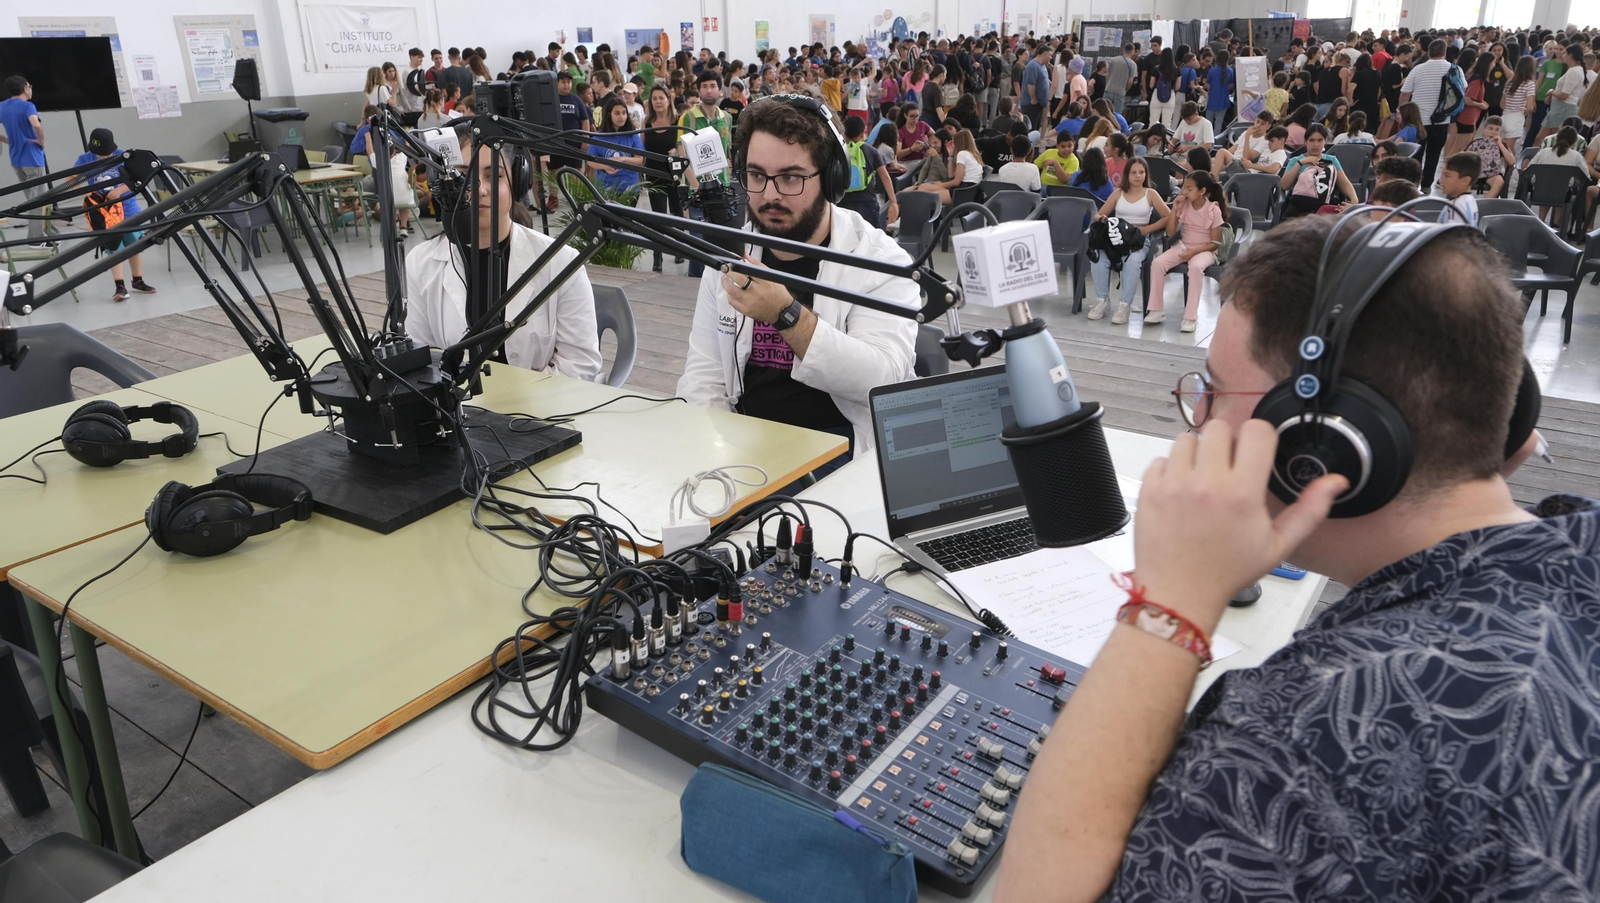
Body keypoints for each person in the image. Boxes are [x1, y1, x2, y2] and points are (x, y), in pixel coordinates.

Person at [995, 212, 1590, 903]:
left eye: (1215, 393)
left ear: (1328, 438)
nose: (1200, 422)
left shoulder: (1312, 742)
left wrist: (1171, 601)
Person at [678, 97, 918, 462]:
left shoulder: (879, 260)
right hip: (743, 450)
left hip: (845, 456)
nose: (769, 194)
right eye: (757, 176)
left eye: (790, 177)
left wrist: (786, 313)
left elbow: (882, 380)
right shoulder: (732, 255)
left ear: (832, 177)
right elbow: (704, 377)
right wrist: (714, 461)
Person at [406, 141, 602, 381]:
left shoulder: (562, 262)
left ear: (517, 183)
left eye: (494, 176)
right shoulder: (421, 262)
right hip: (455, 413)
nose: (479, 190)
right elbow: (423, 359)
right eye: (462, 177)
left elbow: (580, 366)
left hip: (542, 412)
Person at [69, 128, 157, 301]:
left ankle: (138, 280)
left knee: (134, 244)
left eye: (107, 154)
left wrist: (120, 190)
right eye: (100, 154)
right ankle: (120, 286)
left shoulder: (123, 156)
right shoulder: (85, 159)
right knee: (114, 247)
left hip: (128, 207)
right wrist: (84, 192)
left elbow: (138, 178)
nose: (104, 157)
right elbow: (71, 177)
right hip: (104, 211)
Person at [1088, 157, 1172, 324]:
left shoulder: (1151, 194)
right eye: (1134, 172)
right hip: (1116, 238)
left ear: (1146, 174)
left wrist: (1147, 229)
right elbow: (1097, 214)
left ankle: (1124, 305)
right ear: (1127, 175)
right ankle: (1102, 300)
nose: (1138, 175)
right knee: (1098, 259)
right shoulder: (1118, 193)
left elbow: (1168, 216)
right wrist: (1103, 219)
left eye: (1141, 172)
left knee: (1133, 261)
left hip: (1139, 239)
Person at [1146, 170, 1225, 332]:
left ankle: (1190, 317)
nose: (1184, 192)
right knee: (1158, 263)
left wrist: (1193, 253)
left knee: (1196, 267)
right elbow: (1170, 233)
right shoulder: (1185, 206)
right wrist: (1175, 209)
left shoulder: (1213, 210)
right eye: (1184, 188)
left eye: (1189, 189)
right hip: (1184, 246)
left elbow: (1215, 243)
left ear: (1202, 191)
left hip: (1205, 250)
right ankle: (1156, 309)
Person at [677, 71, 735, 279]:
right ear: (699, 89)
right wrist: (696, 185)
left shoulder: (726, 118)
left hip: (722, 191)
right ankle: (694, 286)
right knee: (698, 246)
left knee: (721, 245)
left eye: (713, 85)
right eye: (704, 86)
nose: (709, 90)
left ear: (720, 89)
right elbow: (681, 157)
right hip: (699, 193)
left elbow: (727, 153)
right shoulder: (689, 118)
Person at [1399, 39, 1457, 189]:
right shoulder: (1454, 69)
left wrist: (1402, 113)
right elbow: (1462, 90)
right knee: (1434, 155)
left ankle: (1412, 185)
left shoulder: (1418, 69)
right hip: (1442, 120)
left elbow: (1405, 94)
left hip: (1418, 120)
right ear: (1445, 52)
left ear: (1429, 52)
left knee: (1415, 155)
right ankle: (1426, 186)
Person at [0, 76, 47, 247]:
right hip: (32, 158)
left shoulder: (2, 106)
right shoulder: (28, 106)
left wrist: (8, 140)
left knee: (36, 199)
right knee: (38, 201)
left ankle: (48, 232)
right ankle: (35, 240)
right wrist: (41, 140)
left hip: (16, 160)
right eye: (30, 85)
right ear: (25, 88)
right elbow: (35, 124)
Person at [1280, 124, 1358, 219]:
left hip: (1323, 207)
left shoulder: (1331, 160)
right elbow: (1284, 185)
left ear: (1325, 141)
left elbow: (1344, 183)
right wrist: (1300, 163)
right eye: (1312, 140)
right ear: (1305, 142)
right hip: (1298, 207)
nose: (1316, 144)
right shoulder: (1296, 160)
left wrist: (1354, 202)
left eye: (1320, 140)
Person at [838, 114, 898, 229]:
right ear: (862, 133)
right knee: (872, 238)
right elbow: (885, 177)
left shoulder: (838, 151)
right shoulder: (871, 151)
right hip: (866, 201)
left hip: (843, 202)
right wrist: (893, 202)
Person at [588, 96, 645, 197]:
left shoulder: (632, 135)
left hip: (629, 187)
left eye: (624, 113)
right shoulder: (599, 136)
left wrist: (622, 159)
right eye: (617, 113)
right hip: (605, 187)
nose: (622, 117)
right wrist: (604, 166)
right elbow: (589, 160)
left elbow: (640, 160)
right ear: (609, 114)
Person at [1464, 115, 1514, 197]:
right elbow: (1464, 158)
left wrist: (1500, 144)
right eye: (1490, 128)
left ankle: (1484, 204)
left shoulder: (1502, 144)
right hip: (1475, 172)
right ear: (1484, 129)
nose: (1493, 132)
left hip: (1492, 174)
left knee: (1499, 181)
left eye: (1497, 130)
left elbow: (1511, 162)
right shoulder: (1475, 143)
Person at [1502, 56, 1538, 153]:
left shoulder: (1509, 82)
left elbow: (1502, 104)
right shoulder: (1529, 84)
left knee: (1508, 147)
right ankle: (1508, 167)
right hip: (1517, 117)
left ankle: (1511, 167)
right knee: (1507, 148)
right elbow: (1530, 107)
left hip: (1505, 115)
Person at [1205, 50, 1235, 135]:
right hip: (1224, 100)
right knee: (1219, 122)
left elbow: (1208, 86)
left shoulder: (1212, 70)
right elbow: (1231, 85)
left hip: (1212, 99)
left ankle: (1207, 139)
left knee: (1208, 122)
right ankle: (1216, 141)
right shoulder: (1230, 71)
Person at [1022, 45, 1053, 127]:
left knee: (1036, 127)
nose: (1051, 57)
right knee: (1030, 128)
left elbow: (1044, 79)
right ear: (1043, 54)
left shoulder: (1043, 65)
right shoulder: (1033, 66)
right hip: (1031, 104)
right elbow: (1030, 85)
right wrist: (1034, 99)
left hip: (1039, 103)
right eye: (1049, 55)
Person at [1105, 43, 1139, 115]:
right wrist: (1126, 89)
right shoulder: (1132, 64)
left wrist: (1108, 84)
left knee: (1105, 112)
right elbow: (1130, 81)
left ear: (1123, 50)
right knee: (1117, 115)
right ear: (1132, 51)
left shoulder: (1113, 60)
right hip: (1120, 92)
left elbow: (1107, 74)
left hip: (1108, 89)